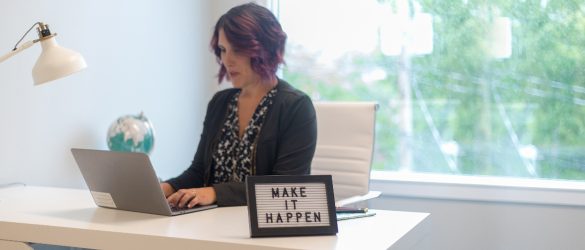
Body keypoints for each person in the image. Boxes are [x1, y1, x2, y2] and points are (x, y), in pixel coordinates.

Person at [160, 3, 317, 207]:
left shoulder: (296, 106)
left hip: (263, 230)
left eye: (238, 49)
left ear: (265, 48)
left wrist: (215, 192)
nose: (227, 60)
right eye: (223, 50)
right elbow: (198, 172)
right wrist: (164, 188)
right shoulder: (220, 103)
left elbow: (285, 186)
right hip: (211, 224)